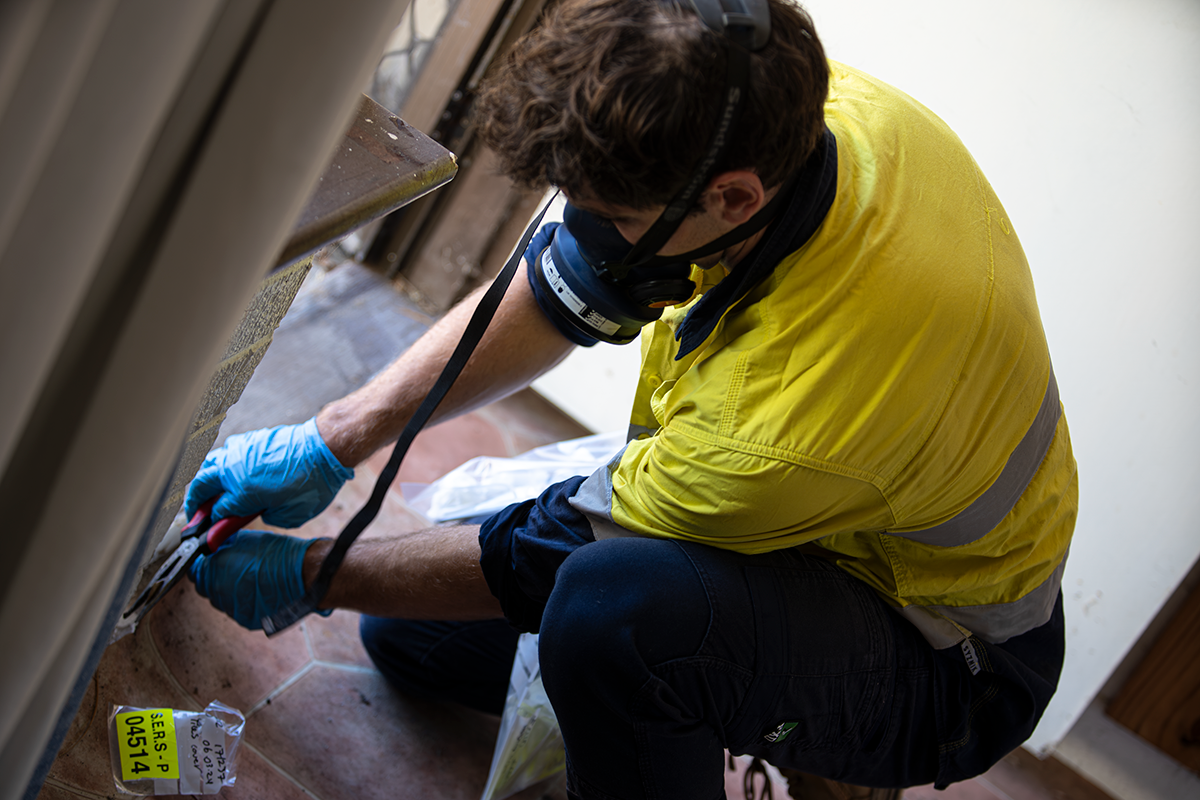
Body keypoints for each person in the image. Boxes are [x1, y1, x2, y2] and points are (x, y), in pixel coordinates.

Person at [184, 0, 1078, 798]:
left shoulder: (773, 428)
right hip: (818, 514)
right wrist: (331, 439)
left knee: (611, 615)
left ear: (732, 199)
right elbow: (571, 282)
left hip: (941, 656)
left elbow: (548, 556)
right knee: (407, 638)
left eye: (604, 206)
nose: (584, 222)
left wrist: (311, 574)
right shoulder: (790, 110)